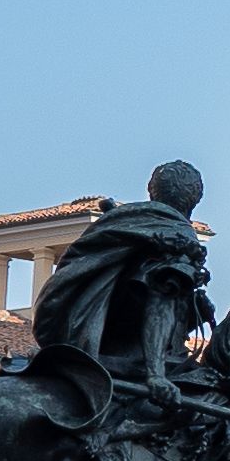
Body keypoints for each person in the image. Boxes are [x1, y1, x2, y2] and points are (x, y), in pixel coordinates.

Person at [23, 162, 217, 414]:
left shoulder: (121, 222)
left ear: (152, 190)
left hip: (93, 341)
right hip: (132, 362)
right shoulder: (176, 234)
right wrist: (156, 375)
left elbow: (134, 296)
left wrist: (193, 310)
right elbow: (160, 300)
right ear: (195, 198)